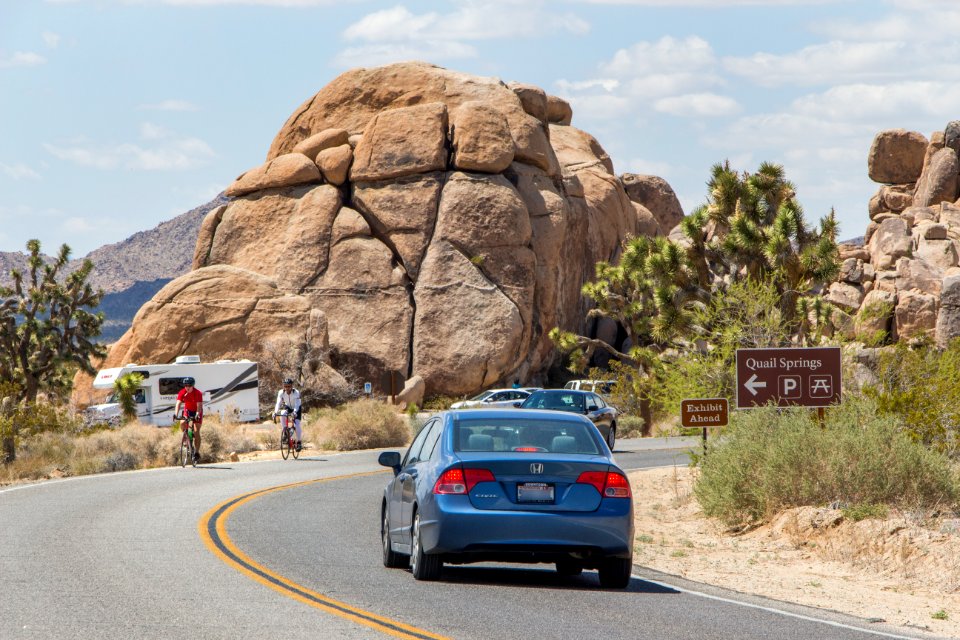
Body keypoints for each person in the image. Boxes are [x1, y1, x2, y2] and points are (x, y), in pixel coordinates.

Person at [173, 377, 204, 463]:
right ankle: (186, 437)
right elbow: (178, 403)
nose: (187, 387)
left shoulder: (198, 393)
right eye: (186, 385)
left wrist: (197, 414)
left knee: (196, 431)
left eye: (189, 385)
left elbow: (199, 406)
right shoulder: (182, 392)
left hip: (197, 412)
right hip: (188, 411)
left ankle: (197, 452)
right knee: (182, 422)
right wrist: (176, 414)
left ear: (193, 386)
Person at [274, 378, 303, 452]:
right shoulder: (281, 392)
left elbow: (297, 405)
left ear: (291, 386)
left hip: (297, 408)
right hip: (288, 407)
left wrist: (295, 412)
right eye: (285, 386)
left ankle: (299, 442)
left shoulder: (296, 392)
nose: (287, 388)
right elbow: (278, 403)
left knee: (296, 424)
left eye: (289, 386)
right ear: (284, 386)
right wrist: (275, 412)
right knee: (282, 413)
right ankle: (285, 432)